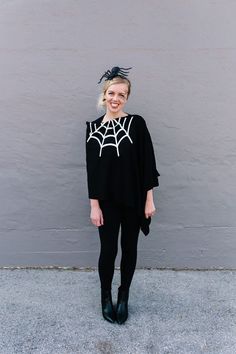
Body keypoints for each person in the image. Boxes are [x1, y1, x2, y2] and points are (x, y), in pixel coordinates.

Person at [85, 66, 160, 324]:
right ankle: (106, 296)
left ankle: (123, 295)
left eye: (122, 95)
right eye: (112, 93)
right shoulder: (92, 130)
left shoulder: (136, 124)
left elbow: (147, 163)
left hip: (133, 200)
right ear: (104, 94)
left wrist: (149, 200)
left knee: (129, 249)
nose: (116, 99)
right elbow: (92, 172)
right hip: (106, 202)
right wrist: (94, 206)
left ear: (127, 98)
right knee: (108, 251)